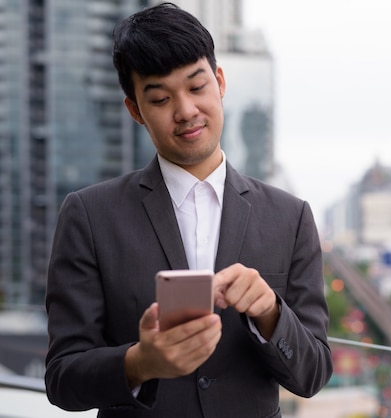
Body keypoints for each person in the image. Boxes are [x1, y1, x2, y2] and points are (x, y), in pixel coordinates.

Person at [44, 3, 333, 417]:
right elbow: (61, 379)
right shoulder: (89, 215)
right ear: (135, 111)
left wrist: (270, 312)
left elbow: (314, 373)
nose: (185, 111)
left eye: (196, 87)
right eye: (160, 98)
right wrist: (141, 362)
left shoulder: (290, 218)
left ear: (219, 82)